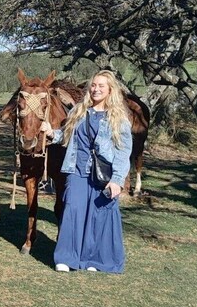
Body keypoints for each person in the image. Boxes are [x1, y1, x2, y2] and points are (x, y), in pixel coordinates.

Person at [40, 70, 132, 273]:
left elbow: (123, 152)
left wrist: (117, 180)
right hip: (76, 169)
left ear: (110, 90)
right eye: (94, 85)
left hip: (104, 173)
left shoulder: (119, 118)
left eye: (101, 86)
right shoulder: (79, 111)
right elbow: (65, 136)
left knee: (99, 214)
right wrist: (50, 133)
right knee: (72, 209)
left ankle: (96, 260)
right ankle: (66, 257)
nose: (96, 89)